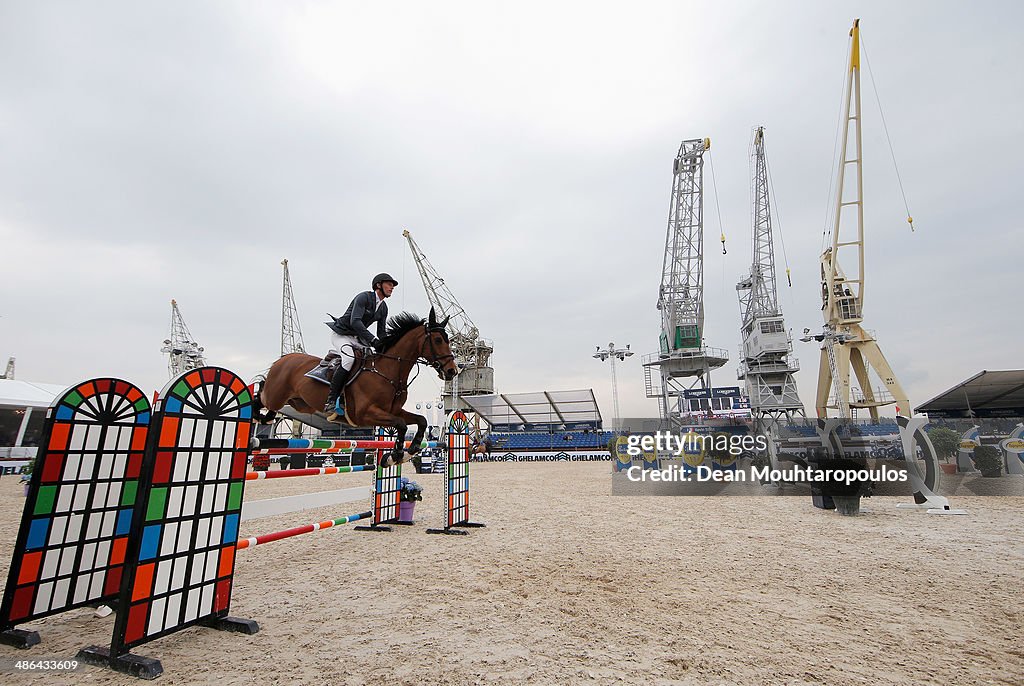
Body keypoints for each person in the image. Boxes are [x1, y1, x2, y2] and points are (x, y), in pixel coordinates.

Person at [323, 273, 398, 418]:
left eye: (392, 285)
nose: (392, 287)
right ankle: (331, 400)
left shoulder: (383, 308)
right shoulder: (364, 297)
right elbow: (355, 322)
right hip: (342, 335)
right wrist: (373, 341)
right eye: (389, 284)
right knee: (349, 359)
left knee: (369, 360)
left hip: (358, 339)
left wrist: (388, 346)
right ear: (378, 285)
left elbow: (381, 333)